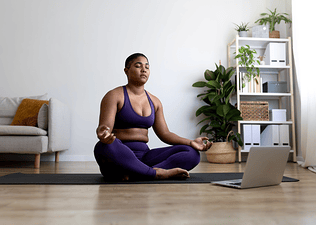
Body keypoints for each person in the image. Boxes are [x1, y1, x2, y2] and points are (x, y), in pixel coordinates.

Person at [94, 53, 212, 181]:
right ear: (126, 71)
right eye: (138, 66)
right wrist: (104, 133)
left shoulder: (155, 101)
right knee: (103, 146)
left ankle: (139, 173)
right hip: (119, 154)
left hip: (145, 156)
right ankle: (156, 174)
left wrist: (191, 142)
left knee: (192, 153)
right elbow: (105, 128)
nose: (144, 69)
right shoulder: (114, 95)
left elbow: (165, 133)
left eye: (147, 67)